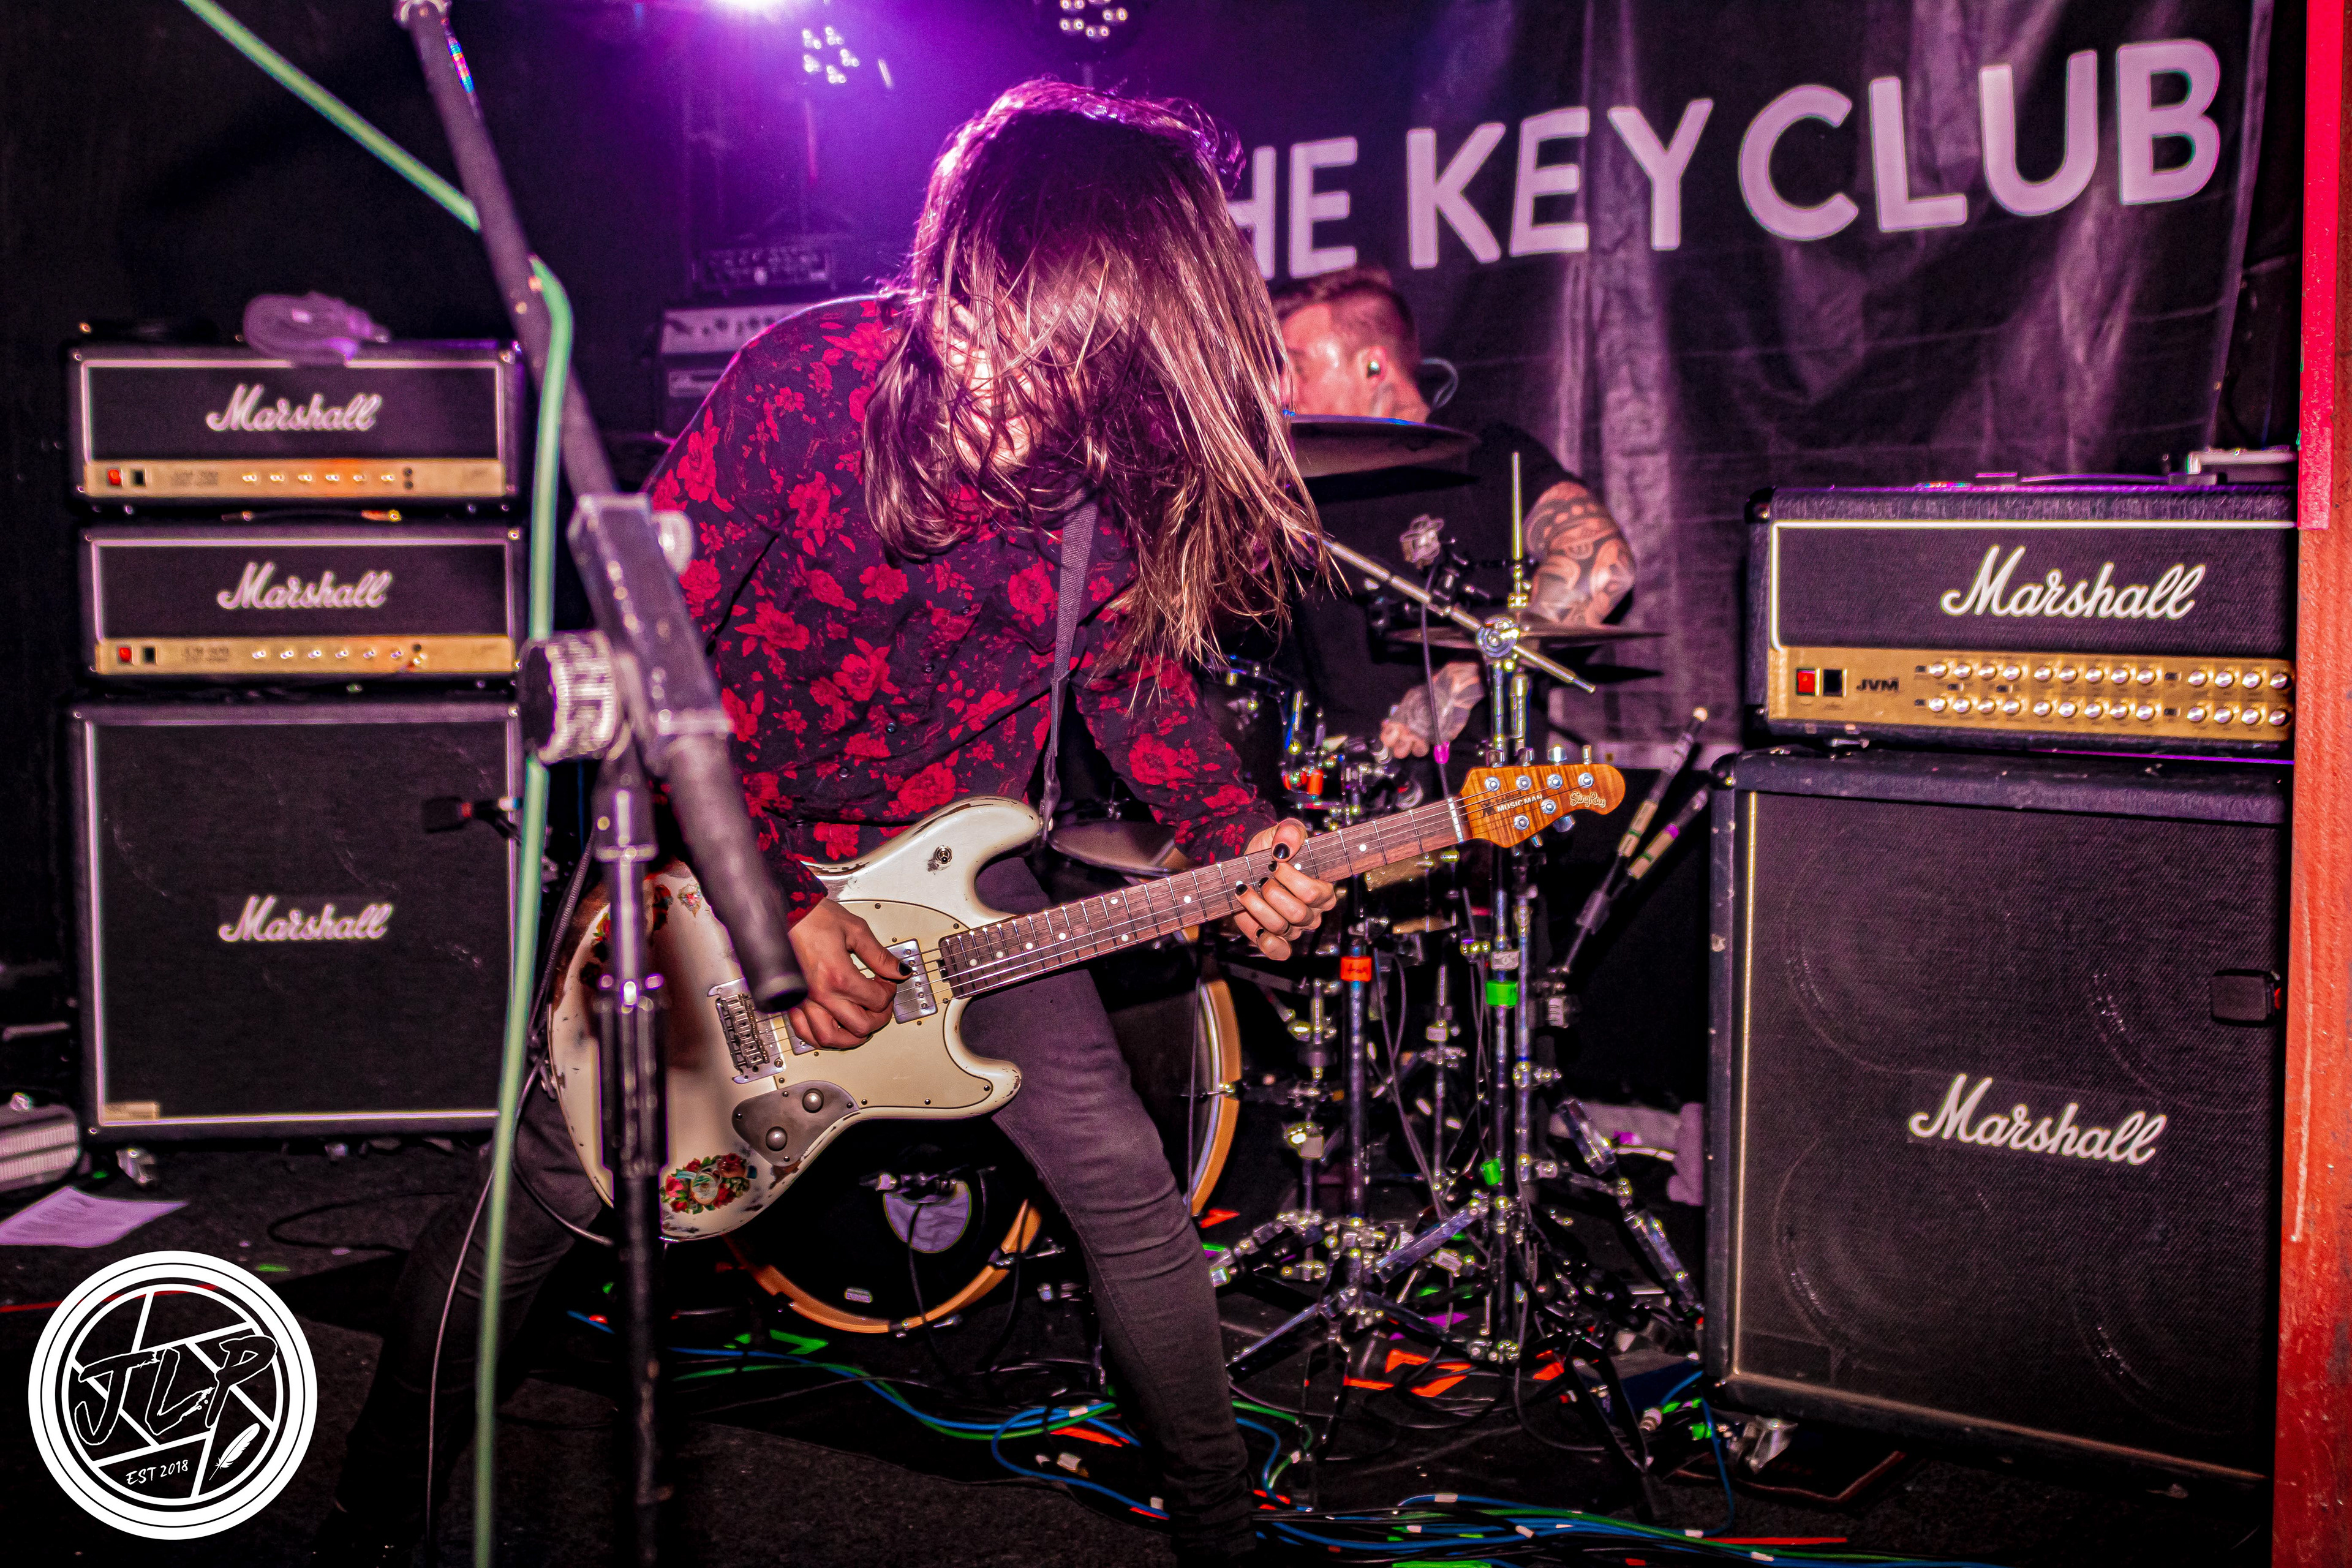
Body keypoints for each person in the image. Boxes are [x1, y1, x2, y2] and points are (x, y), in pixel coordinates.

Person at [315, 81, 1336, 1568]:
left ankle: (1222, 1537)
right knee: (546, 1191)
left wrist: (1240, 833)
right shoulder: (805, 386)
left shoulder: (1116, 477)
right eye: (972, 321)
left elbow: (1134, 683)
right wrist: (775, 898)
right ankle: (374, 1512)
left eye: (1045, 360)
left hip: (954, 873)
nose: (988, 381)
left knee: (1124, 1182)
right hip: (719, 857)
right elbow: (644, 663)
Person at [1272, 265, 1635, 762]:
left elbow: (1603, 563)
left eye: (1299, 368)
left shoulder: (1479, 456)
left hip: (1474, 784)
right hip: (1334, 780)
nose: (1284, 392)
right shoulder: (1297, 489)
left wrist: (1464, 679)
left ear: (1374, 366)